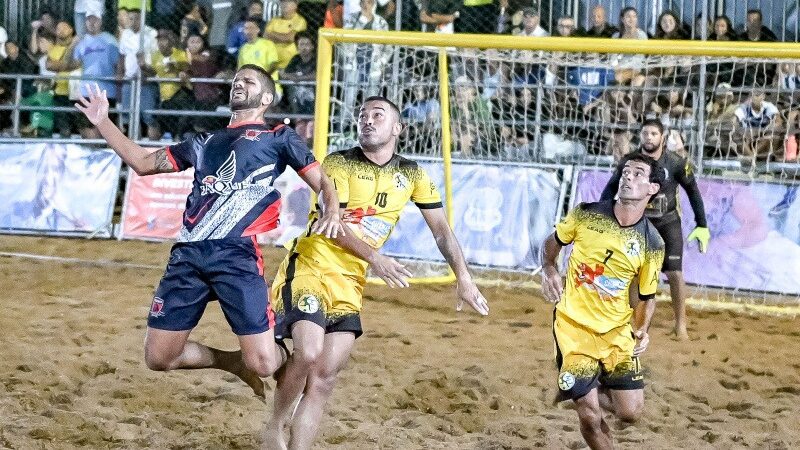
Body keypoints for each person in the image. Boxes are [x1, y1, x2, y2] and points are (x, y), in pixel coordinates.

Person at [73, 64, 343, 398]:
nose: (239, 84)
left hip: (236, 254)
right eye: (235, 80)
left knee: (263, 363)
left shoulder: (278, 138)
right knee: (159, 357)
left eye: (248, 81)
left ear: (267, 97)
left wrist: (332, 208)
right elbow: (143, 163)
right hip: (188, 254)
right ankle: (231, 362)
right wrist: (102, 122)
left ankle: (286, 358)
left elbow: (323, 181)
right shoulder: (205, 140)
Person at [264, 96, 490, 449]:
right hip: (312, 265)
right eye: (362, 116)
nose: (367, 121)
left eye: (377, 115)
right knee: (308, 352)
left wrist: (463, 277)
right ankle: (274, 426)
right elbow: (332, 223)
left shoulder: (412, 173)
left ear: (397, 128)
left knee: (323, 380)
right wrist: (377, 259)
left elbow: (442, 231)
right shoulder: (339, 162)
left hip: (350, 282)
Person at [541, 152, 665, 450]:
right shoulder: (586, 213)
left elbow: (647, 297)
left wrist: (642, 328)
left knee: (630, 412)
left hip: (616, 332)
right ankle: (582, 393)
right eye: (626, 171)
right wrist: (548, 269)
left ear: (652, 189)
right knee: (590, 416)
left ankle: (580, 388)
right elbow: (551, 244)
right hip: (573, 329)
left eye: (638, 174)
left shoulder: (653, 242)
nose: (628, 177)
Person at [600, 119, 708, 340]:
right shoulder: (629, 162)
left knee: (674, 273)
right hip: (638, 224)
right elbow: (610, 188)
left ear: (662, 138)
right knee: (634, 274)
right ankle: (634, 323)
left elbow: (693, 191)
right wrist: (603, 216)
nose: (649, 137)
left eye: (653, 134)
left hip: (668, 223)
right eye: (645, 133)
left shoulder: (677, 163)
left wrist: (702, 225)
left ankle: (680, 326)